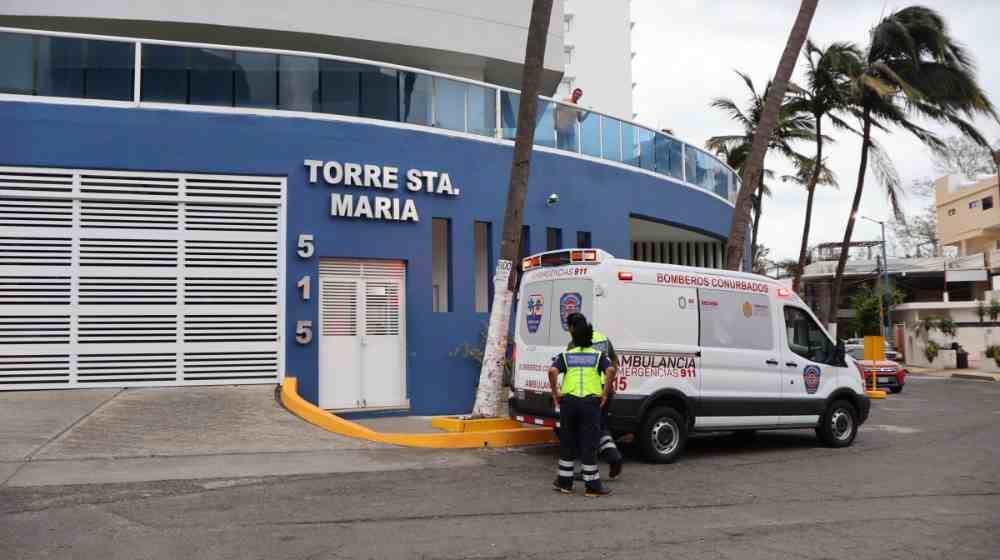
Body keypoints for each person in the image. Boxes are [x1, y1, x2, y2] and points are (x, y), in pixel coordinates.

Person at [548, 321, 614, 496]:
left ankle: (564, 483)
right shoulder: (599, 356)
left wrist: (556, 393)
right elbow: (611, 371)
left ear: (574, 338)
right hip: (590, 403)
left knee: (567, 441)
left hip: (568, 403)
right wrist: (605, 393)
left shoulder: (566, 355)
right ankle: (592, 486)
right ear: (590, 337)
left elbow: (552, 371)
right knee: (589, 443)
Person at [566, 313, 624, 480]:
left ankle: (590, 469)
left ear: (572, 327)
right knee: (599, 427)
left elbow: (573, 372)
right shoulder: (603, 339)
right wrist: (607, 387)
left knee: (587, 431)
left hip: (587, 393)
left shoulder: (574, 343)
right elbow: (614, 364)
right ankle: (613, 457)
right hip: (605, 392)